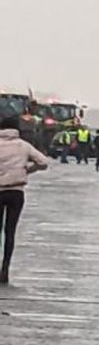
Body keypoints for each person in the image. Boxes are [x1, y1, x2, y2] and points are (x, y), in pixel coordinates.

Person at [0, 114, 50, 284]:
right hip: (16, 191)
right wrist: (27, 170)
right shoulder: (23, 146)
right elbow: (43, 162)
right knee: (10, 231)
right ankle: (5, 268)